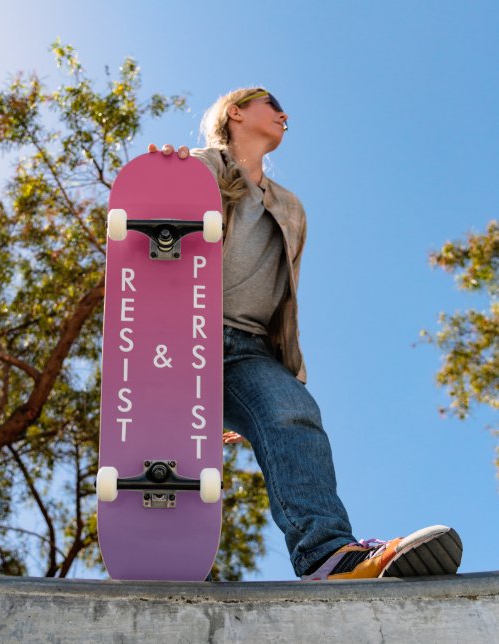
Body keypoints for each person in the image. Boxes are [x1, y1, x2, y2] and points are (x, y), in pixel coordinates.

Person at [148, 87, 463, 580]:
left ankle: (328, 557)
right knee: (173, 456)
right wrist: (162, 175)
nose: (283, 113)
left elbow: (283, 297)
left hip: (249, 349)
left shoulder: (290, 207)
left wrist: (272, 385)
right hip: (183, 334)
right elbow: (149, 224)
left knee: (293, 412)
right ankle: (163, 555)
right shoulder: (198, 167)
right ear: (236, 112)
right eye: (271, 104)